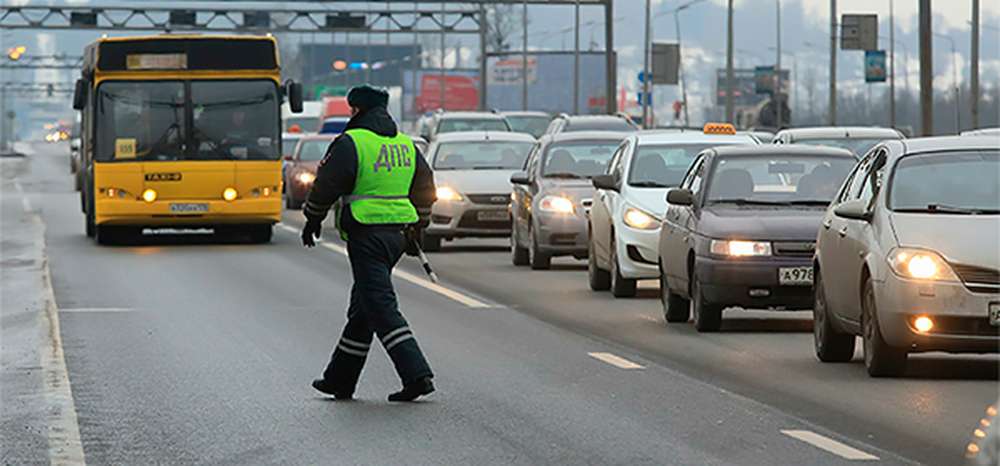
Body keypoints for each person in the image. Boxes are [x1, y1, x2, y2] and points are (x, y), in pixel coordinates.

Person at [301, 84, 437, 402]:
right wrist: (420, 225)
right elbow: (426, 186)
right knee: (364, 308)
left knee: (381, 306)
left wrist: (312, 219)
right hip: (399, 235)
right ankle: (340, 379)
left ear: (357, 110)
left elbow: (327, 184)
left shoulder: (352, 142)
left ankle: (417, 375)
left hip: (367, 233)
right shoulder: (405, 145)